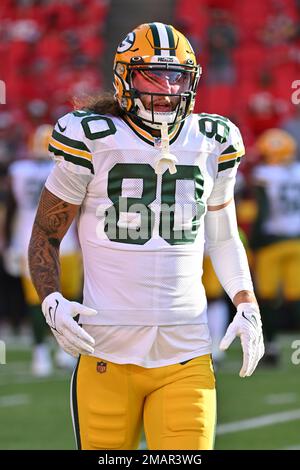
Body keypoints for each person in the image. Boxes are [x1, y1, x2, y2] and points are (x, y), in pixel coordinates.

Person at [28, 22, 264, 450]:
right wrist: (51, 300)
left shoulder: (212, 140)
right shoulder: (92, 137)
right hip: (106, 352)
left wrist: (246, 303)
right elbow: (45, 233)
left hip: (186, 352)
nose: (166, 89)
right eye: (151, 76)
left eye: (177, 78)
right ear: (124, 78)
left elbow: (224, 236)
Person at [6, 125, 81, 375]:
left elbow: (12, 210)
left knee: (37, 301)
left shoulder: (19, 171)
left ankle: (41, 355)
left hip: (28, 243)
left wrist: (8, 243)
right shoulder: (66, 169)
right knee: (68, 298)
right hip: (66, 243)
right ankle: (64, 351)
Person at [250, 128, 300, 365]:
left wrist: (254, 241)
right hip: (297, 241)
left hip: (271, 241)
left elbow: (262, 212)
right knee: (296, 296)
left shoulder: (264, 174)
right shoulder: (298, 171)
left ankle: (270, 348)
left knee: (267, 297)